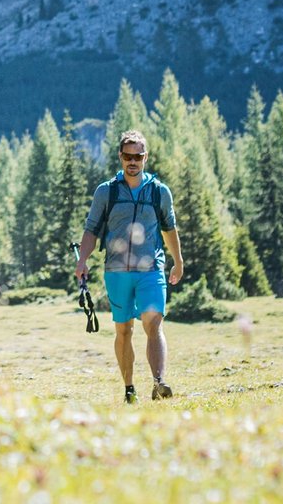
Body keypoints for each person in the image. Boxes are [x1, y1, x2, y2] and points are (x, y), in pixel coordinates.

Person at [75, 129, 184, 404]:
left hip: (151, 270)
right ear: (120, 157)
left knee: (153, 322)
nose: (132, 161)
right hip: (116, 272)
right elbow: (92, 230)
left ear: (145, 158)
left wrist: (178, 262)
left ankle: (159, 382)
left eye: (137, 156)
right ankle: (129, 388)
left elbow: (169, 229)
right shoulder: (106, 191)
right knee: (124, 330)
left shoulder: (159, 191)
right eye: (127, 156)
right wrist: (83, 259)